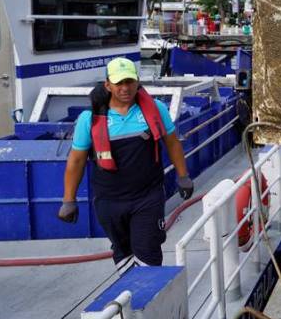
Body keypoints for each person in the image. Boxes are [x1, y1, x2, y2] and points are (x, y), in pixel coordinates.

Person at [58, 57, 192, 266]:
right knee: (123, 252)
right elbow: (76, 161)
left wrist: (183, 176)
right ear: (108, 85)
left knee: (148, 250)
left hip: (147, 196)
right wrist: (69, 200)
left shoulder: (156, 110)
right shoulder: (89, 119)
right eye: (119, 83)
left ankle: (149, 294)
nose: (125, 88)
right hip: (109, 201)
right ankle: (133, 293)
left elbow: (173, 143)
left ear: (137, 81)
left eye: (129, 81)